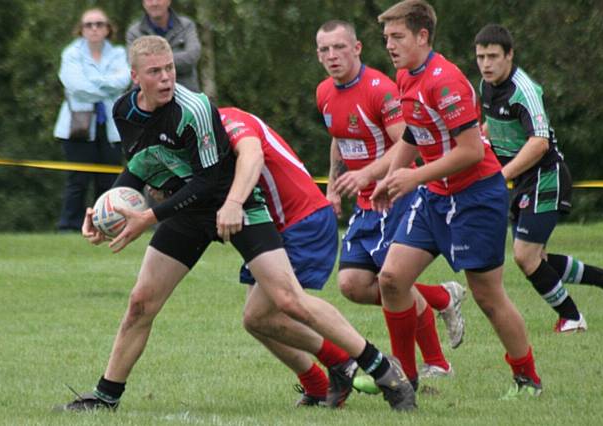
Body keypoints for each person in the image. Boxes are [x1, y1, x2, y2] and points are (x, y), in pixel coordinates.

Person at [55, 36, 415, 412]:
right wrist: (101, 211)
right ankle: (105, 397)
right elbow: (139, 166)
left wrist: (148, 216)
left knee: (289, 300)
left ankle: (383, 368)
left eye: (170, 69)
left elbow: (209, 181)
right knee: (140, 303)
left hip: (237, 207)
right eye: (155, 72)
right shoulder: (125, 111)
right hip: (188, 213)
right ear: (135, 77)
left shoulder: (194, 109)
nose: (165, 78)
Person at [372, 0, 542, 399]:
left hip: (475, 197)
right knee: (392, 279)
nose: (391, 46)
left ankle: (527, 379)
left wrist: (412, 177)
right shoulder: (404, 76)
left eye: (397, 37)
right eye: (386, 39)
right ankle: (405, 382)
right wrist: (392, 174)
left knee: (487, 295)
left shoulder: (443, 80)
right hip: (436, 195)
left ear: (422, 36)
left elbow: (470, 151)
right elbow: (416, 133)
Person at [314, 20, 461, 389]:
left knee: (392, 280)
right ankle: (442, 296)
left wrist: (369, 176)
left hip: (395, 196)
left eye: (339, 48)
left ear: (357, 48)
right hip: (365, 203)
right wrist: (333, 188)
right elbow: (338, 139)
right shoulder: (324, 93)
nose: (332, 56)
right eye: (324, 50)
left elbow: (403, 145)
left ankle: (435, 364)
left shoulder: (380, 89)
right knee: (351, 284)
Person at [474, 24, 603, 331]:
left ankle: (572, 318)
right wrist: (482, 135)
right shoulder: (485, 85)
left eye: (493, 56)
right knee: (536, 258)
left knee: (525, 256)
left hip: (546, 176)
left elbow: (539, 142)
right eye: (480, 57)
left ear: (509, 55)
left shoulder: (524, 90)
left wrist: (500, 175)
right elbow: (493, 121)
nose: (486, 64)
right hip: (522, 181)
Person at [219, 106, 353, 407]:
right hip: (272, 227)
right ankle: (319, 383)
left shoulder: (228, 121)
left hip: (302, 220)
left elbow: (253, 156)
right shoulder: (201, 140)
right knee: (256, 320)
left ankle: (355, 359)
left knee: (265, 313)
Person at [54, 8, 130, 231]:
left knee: (107, 180)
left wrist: (93, 82)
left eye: (99, 24)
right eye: (89, 24)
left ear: (108, 29)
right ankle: (69, 225)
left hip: (111, 127)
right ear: (81, 29)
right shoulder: (71, 53)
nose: (94, 28)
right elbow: (74, 85)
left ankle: (104, 225)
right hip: (78, 126)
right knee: (78, 180)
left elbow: (123, 80)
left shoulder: (118, 53)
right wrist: (106, 86)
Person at [126, 0, 201, 91]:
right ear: (143, 3)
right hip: (147, 94)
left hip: (186, 91)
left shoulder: (186, 25)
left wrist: (151, 65)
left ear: (169, 1)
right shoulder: (134, 32)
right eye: (149, 0)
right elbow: (134, 63)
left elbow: (192, 57)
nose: (154, 3)